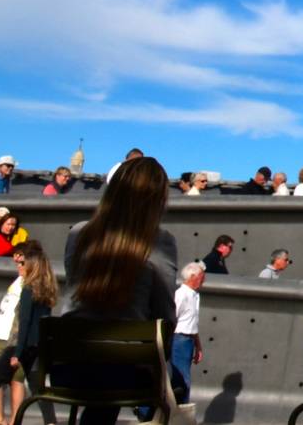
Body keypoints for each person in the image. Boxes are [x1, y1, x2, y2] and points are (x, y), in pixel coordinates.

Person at [60, 156, 179, 425]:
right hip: (126, 370)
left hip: (66, 364)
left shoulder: (78, 233)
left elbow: (74, 287)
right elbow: (165, 314)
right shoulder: (160, 241)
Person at [0, 241, 57, 425]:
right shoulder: (47, 289)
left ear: (31, 266)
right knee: (38, 388)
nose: (18, 266)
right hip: (36, 347)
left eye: (22, 263)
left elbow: (24, 323)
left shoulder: (27, 289)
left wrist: (17, 353)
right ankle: (51, 422)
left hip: (20, 346)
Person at [172, 263, 205, 397]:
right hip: (179, 339)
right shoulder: (181, 294)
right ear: (192, 276)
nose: (203, 281)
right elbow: (173, 318)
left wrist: (198, 346)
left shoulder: (195, 296)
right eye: (202, 277)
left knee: (182, 378)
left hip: (188, 340)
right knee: (182, 379)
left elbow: (193, 324)